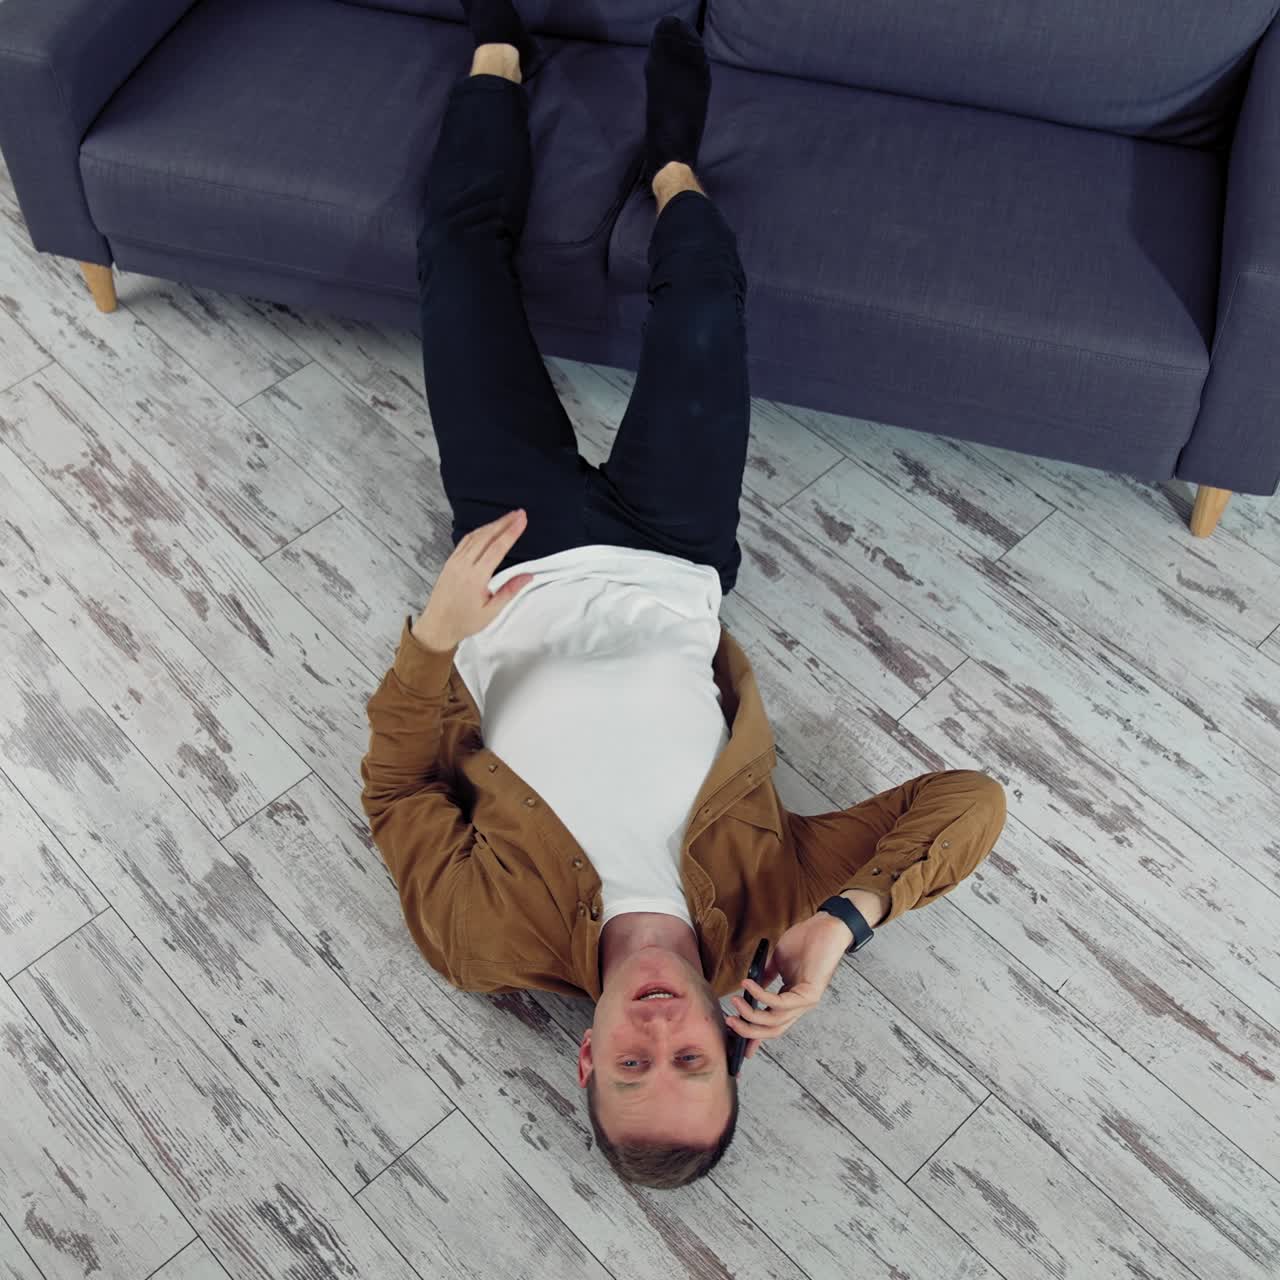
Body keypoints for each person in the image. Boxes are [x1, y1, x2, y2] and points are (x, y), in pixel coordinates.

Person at [361, 0, 1007, 1190]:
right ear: (726, 1041)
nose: (659, 1031)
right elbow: (969, 802)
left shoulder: (479, 940)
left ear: (584, 1059)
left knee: (455, 262)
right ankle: (668, 163)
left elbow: (397, 787)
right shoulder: (770, 912)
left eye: (631, 1064)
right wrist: (844, 923)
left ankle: (496, 52)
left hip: (511, 556)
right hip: (672, 553)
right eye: (690, 1060)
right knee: (706, 295)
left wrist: (434, 640)